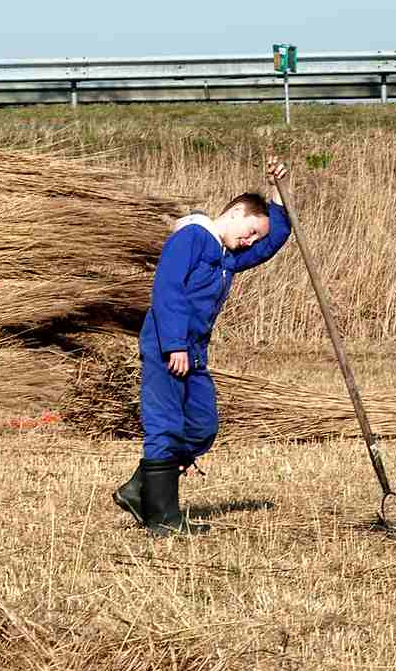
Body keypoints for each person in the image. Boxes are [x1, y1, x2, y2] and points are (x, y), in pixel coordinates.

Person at [114, 157, 291, 536]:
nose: (251, 241)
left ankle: (138, 489)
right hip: (167, 346)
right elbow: (167, 289)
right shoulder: (192, 237)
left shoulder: (225, 258)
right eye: (250, 231)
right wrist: (174, 344)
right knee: (166, 426)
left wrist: (277, 192)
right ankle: (163, 518)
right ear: (236, 211)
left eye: (255, 238)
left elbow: (274, 240)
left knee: (202, 425)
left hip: (194, 352)